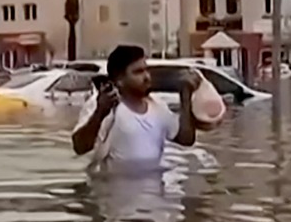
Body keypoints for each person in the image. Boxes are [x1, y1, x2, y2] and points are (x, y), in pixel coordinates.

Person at [71, 45, 201, 165]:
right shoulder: (103, 104)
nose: (147, 77)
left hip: (152, 188)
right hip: (111, 188)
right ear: (119, 80)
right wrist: (100, 112)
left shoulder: (157, 106)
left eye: (146, 70)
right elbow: (80, 147)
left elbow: (186, 140)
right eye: (138, 72)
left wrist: (186, 95)